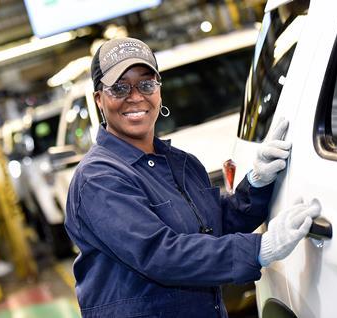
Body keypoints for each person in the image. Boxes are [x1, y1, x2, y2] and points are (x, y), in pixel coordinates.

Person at [64, 37, 321, 318]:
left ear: (159, 92)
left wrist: (257, 182)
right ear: (99, 99)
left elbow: (216, 224)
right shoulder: (98, 178)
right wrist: (262, 248)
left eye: (146, 84)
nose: (135, 97)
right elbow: (159, 254)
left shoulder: (181, 163)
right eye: (119, 88)